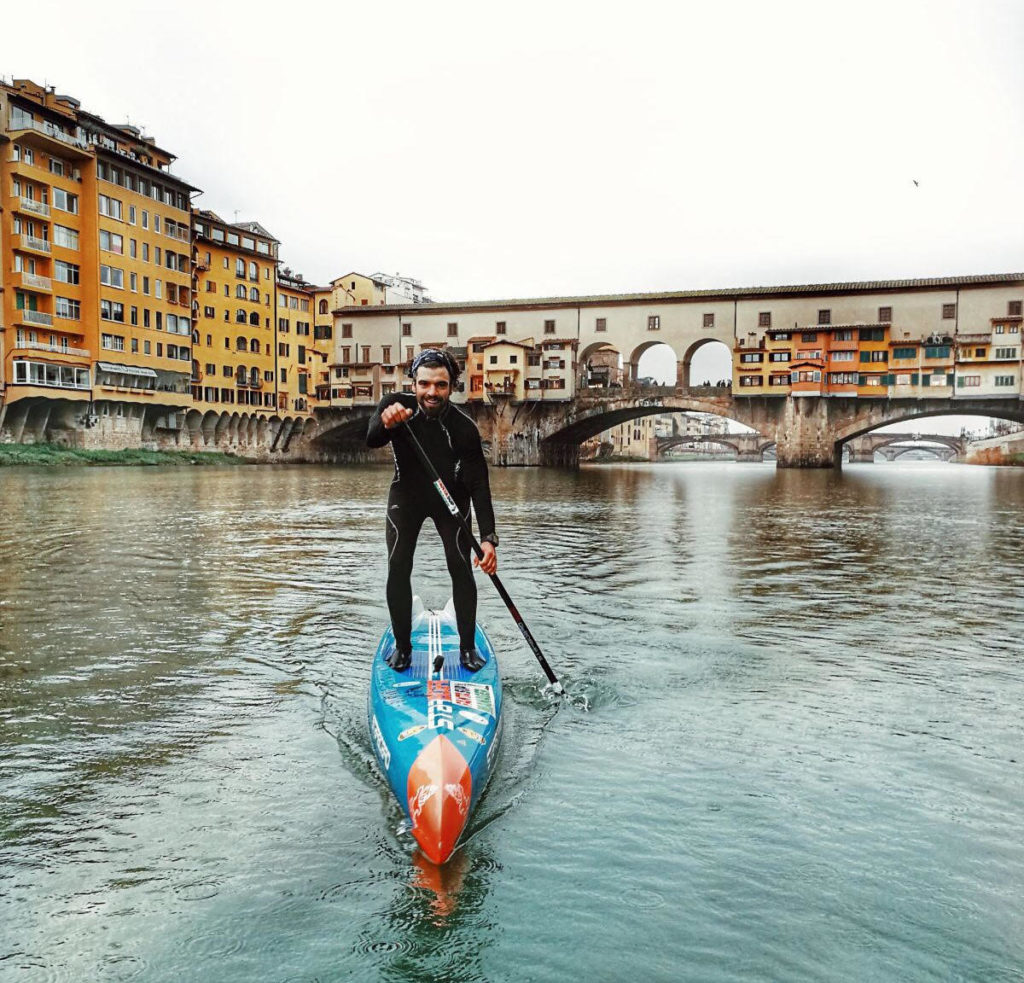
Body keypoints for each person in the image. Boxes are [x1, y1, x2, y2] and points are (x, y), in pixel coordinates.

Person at [366, 349, 498, 673]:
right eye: (424, 384)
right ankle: (403, 647)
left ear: (451, 386)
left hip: (451, 499)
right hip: (406, 497)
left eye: (440, 385)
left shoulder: (464, 428)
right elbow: (371, 439)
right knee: (398, 564)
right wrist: (386, 423)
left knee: (461, 566)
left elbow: (479, 484)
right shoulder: (395, 405)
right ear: (413, 383)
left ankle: (467, 648)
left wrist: (488, 538)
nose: (431, 392)